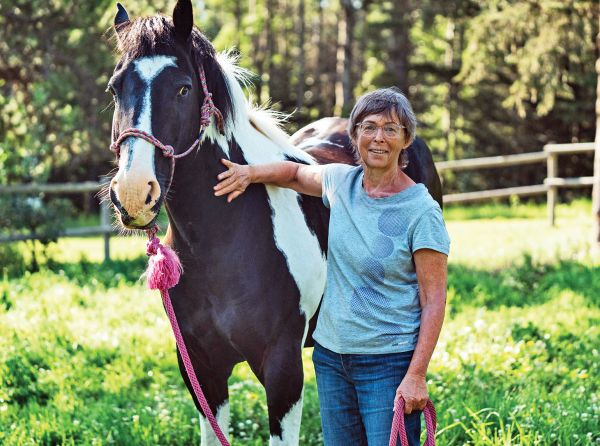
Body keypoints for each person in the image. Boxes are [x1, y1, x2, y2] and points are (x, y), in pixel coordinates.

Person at [214, 87, 449, 446]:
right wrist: (250, 173)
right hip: (332, 361)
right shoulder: (342, 182)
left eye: (391, 129)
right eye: (368, 127)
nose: (378, 138)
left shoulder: (421, 211)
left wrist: (416, 374)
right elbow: (294, 174)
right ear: (354, 135)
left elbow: (434, 299)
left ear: (406, 140)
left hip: (387, 365)